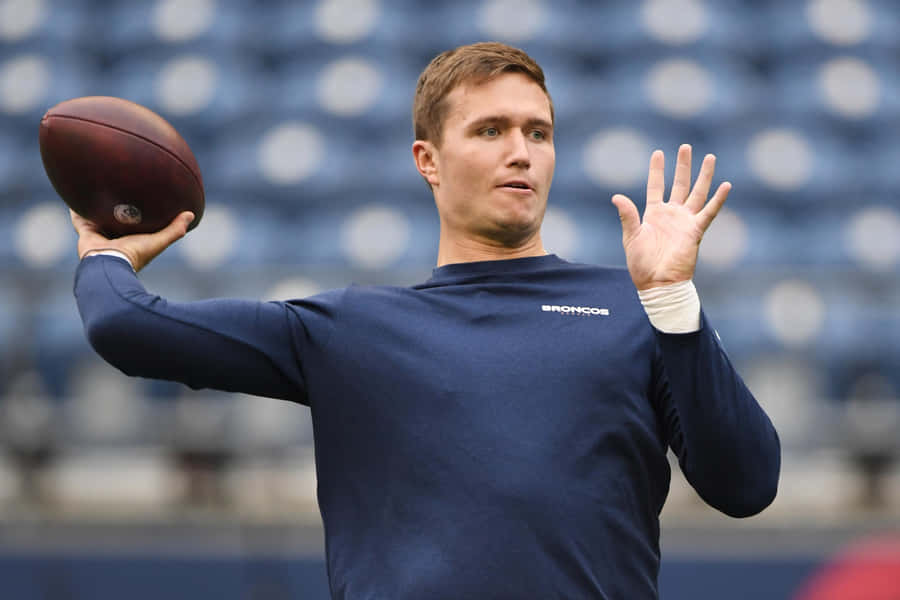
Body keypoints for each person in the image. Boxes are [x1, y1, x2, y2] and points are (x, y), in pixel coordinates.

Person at [70, 42, 780, 599]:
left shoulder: (635, 304)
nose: (520, 152)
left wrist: (671, 297)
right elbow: (126, 329)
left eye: (539, 132)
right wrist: (106, 254)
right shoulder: (351, 329)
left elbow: (745, 486)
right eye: (491, 130)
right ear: (428, 161)